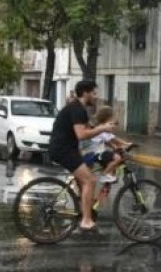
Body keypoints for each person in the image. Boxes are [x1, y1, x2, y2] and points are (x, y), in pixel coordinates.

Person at [48, 80, 115, 232]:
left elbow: (93, 130)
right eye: (94, 93)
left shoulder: (77, 108)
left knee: (85, 179)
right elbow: (82, 134)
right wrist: (102, 128)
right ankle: (86, 220)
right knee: (90, 181)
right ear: (85, 92)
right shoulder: (78, 110)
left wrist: (112, 139)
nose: (96, 96)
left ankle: (83, 211)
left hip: (67, 149)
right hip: (63, 150)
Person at [82, 106, 134, 184]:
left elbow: (109, 142)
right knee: (117, 158)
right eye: (112, 121)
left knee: (112, 162)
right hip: (94, 154)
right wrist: (126, 144)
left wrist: (117, 148)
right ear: (106, 119)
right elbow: (113, 139)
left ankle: (107, 177)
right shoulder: (101, 128)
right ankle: (105, 174)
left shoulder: (101, 129)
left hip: (96, 154)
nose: (113, 125)